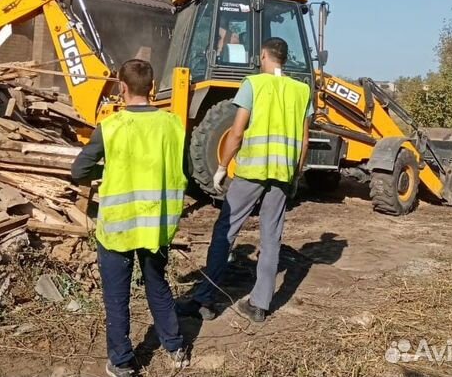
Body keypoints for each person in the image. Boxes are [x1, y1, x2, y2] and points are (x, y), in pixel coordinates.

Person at [177, 37, 312, 323]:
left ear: (264, 55)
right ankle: (260, 305)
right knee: (271, 236)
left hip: (251, 172)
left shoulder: (253, 84)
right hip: (283, 175)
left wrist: (222, 166)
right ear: (285, 58)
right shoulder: (302, 91)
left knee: (226, 229)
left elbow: (236, 133)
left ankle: (205, 300)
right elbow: (304, 139)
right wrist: (297, 173)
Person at [71, 59, 189, 377]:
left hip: (118, 228)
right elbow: (184, 171)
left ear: (122, 88)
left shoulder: (110, 127)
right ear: (151, 87)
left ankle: (122, 362)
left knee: (116, 296)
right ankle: (176, 347)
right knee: (158, 285)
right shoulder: (173, 125)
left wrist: (104, 169)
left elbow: (77, 171)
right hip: (156, 227)